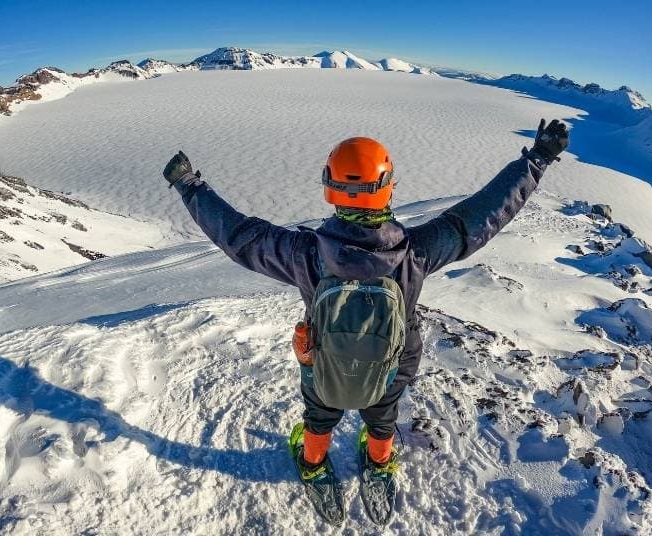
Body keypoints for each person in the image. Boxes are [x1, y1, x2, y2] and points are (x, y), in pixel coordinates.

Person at [163, 119, 570, 525]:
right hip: (392, 364)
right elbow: (482, 215)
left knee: (319, 415)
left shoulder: (304, 253)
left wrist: (189, 185)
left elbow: (240, 237)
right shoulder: (417, 252)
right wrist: (536, 161)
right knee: (382, 415)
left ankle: (315, 461)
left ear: (330, 188)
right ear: (388, 186)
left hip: (323, 361)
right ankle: (378, 463)